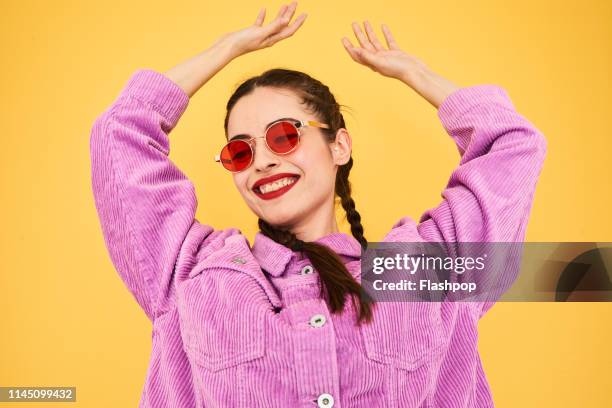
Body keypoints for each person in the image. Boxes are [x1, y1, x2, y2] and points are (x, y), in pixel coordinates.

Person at [89, 2, 547, 407]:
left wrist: (415, 73)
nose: (263, 161)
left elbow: (512, 147)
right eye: (240, 151)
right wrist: (223, 50)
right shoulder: (188, 275)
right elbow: (119, 133)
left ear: (339, 146)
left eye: (284, 135)